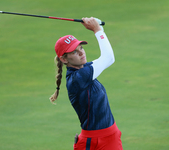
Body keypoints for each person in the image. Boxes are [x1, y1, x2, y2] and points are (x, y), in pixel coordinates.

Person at [50, 17, 123, 150]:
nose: (81, 52)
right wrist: (97, 30)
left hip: (110, 136)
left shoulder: (85, 69)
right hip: (94, 142)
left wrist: (100, 28)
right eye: (74, 52)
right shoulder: (78, 78)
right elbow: (108, 58)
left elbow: (107, 59)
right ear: (64, 59)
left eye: (81, 48)